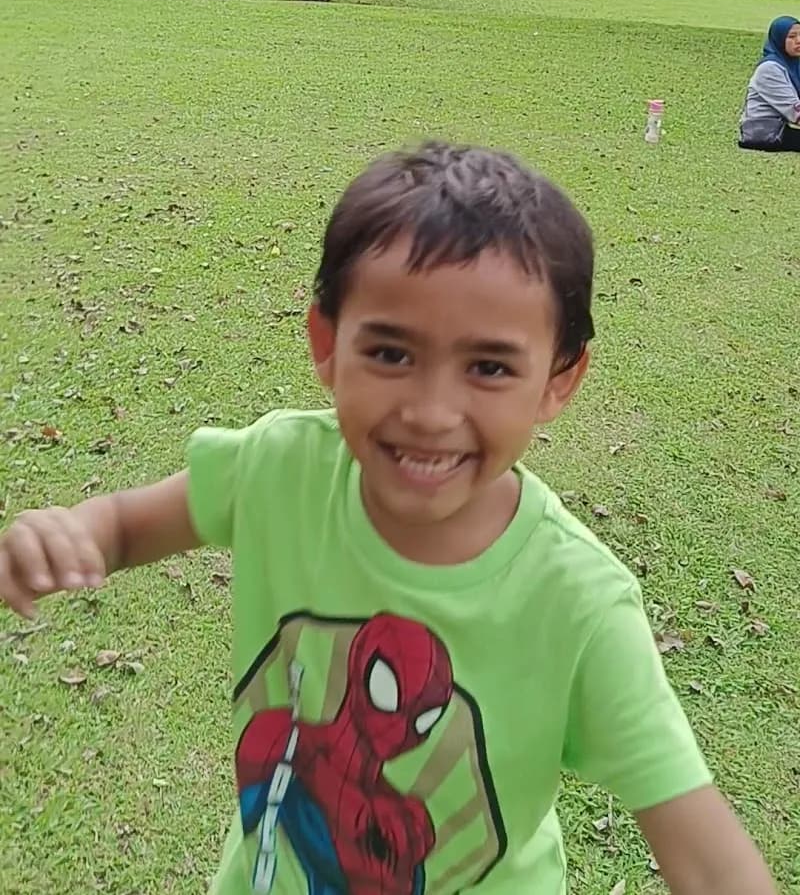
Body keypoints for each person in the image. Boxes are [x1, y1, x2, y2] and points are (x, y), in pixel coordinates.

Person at [0, 143, 777, 895]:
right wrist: (74, 534)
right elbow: (127, 527)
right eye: (391, 354)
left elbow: (705, 861)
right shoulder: (278, 470)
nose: (432, 412)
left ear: (559, 382)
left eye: (490, 367)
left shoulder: (578, 604)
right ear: (327, 346)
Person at [739, 14, 800, 151]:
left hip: (787, 127)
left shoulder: (795, 65)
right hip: (767, 131)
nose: (798, 41)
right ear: (779, 39)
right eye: (791, 37)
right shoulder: (769, 69)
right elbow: (796, 113)